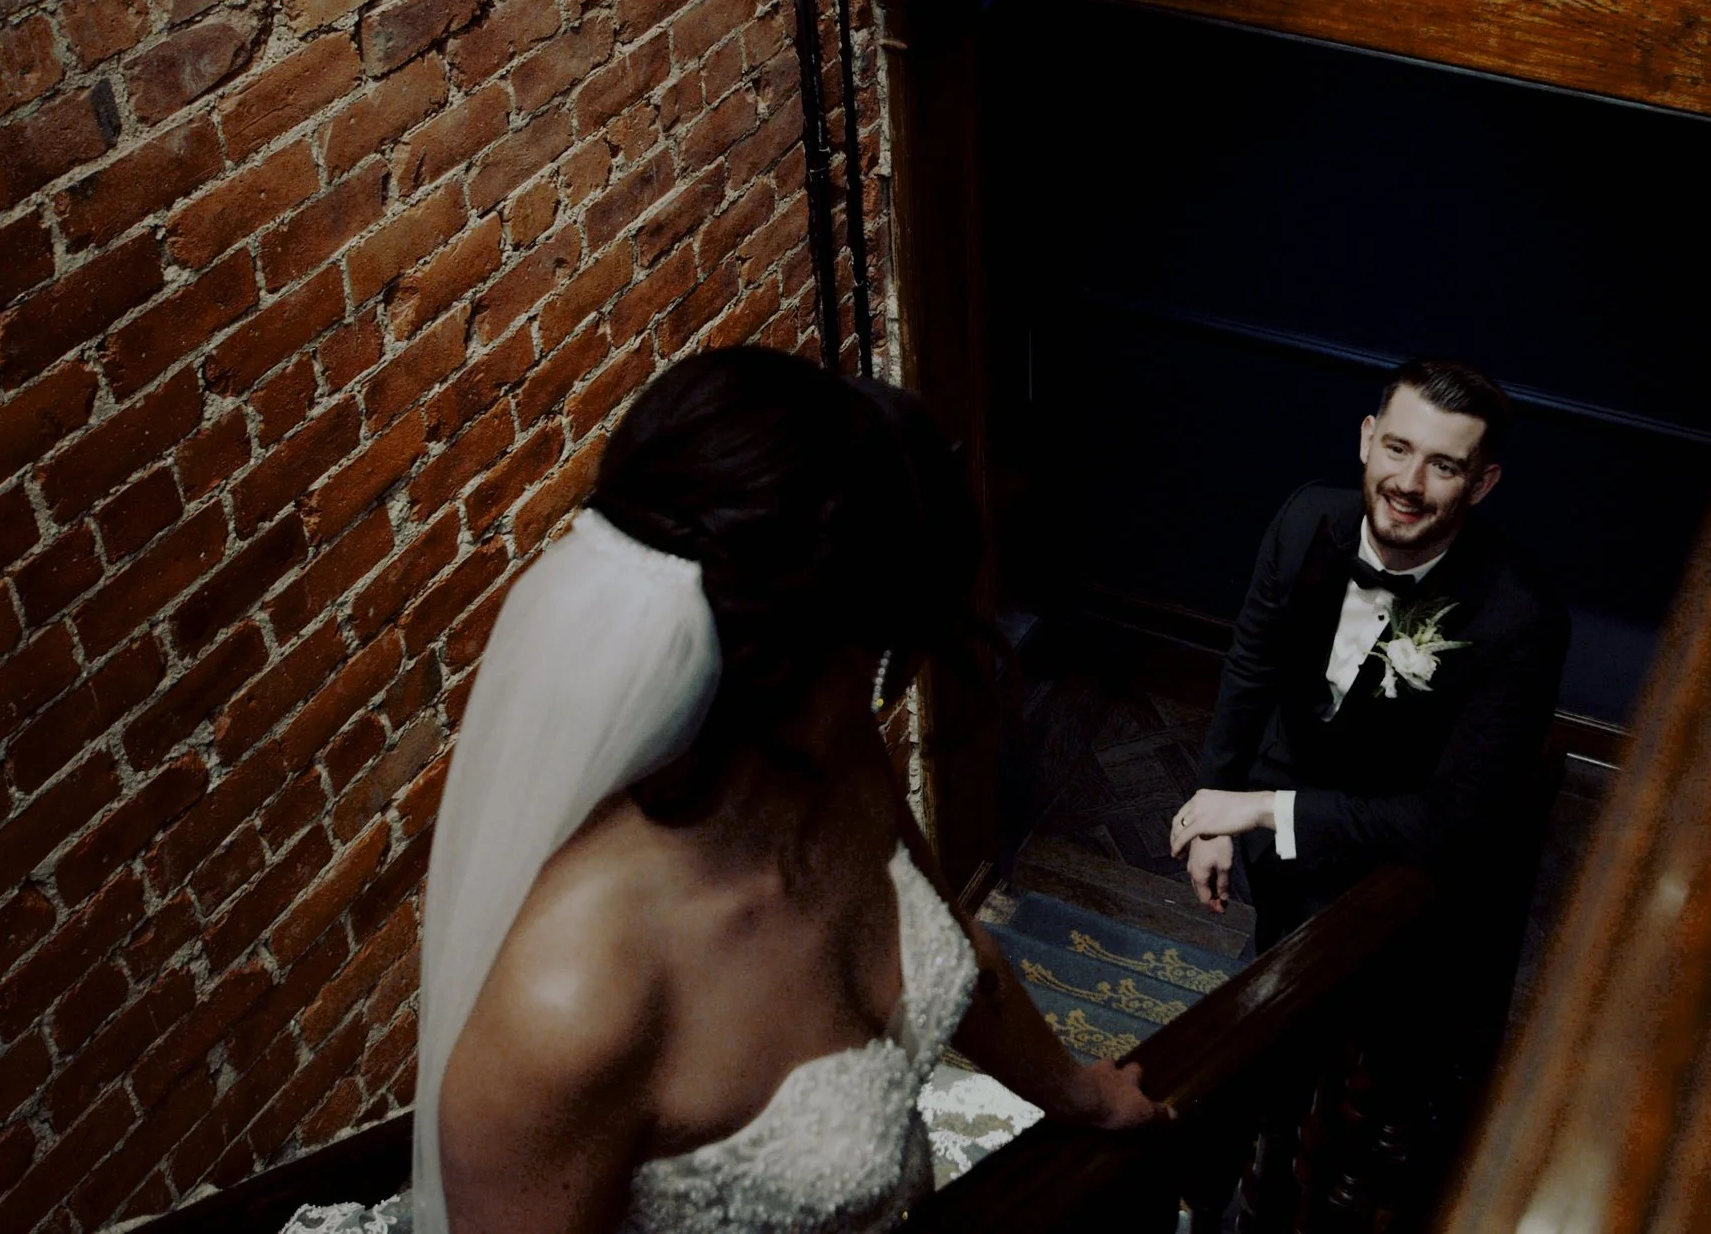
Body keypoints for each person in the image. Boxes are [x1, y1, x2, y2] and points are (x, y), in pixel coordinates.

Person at [286, 347, 1162, 1234]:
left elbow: (955, 952)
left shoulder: (839, 750)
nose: (891, 672)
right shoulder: (571, 1006)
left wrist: (1077, 1095)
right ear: (790, 652)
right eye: (879, 638)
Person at [1164, 359, 1570, 1222]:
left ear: (1483, 481)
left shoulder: (1520, 618)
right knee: (1268, 997)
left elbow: (1454, 824)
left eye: (1445, 466)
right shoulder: (1306, 519)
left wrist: (1263, 813)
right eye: (1397, 448)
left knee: (1326, 1046)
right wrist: (1214, 810)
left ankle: (1266, 1168)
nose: (1409, 483)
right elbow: (1251, 666)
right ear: (1365, 437)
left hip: (1397, 872)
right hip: (1285, 828)